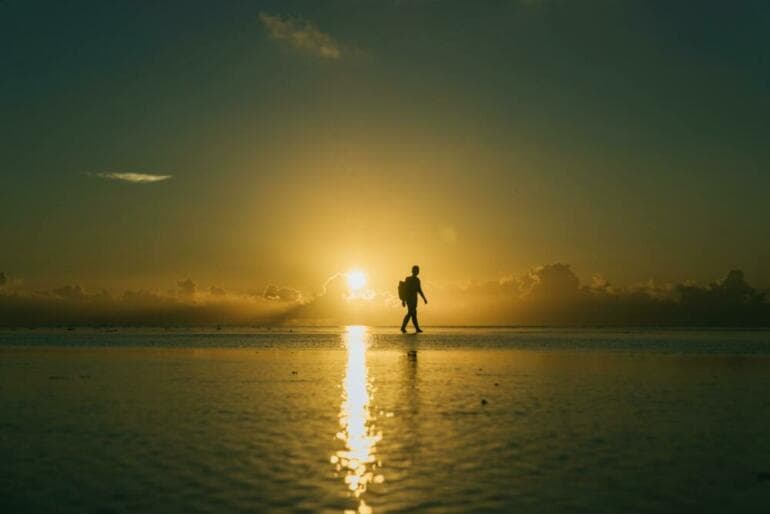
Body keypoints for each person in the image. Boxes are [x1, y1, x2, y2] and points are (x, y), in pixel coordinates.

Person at [401, 265, 428, 333]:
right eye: (415, 270)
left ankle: (415, 328)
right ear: (412, 271)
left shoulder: (417, 280)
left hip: (415, 299)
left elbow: (419, 290)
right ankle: (404, 327)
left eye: (417, 270)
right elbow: (405, 290)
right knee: (411, 313)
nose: (417, 272)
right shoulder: (408, 279)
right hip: (409, 299)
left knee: (413, 314)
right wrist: (403, 300)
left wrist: (424, 298)